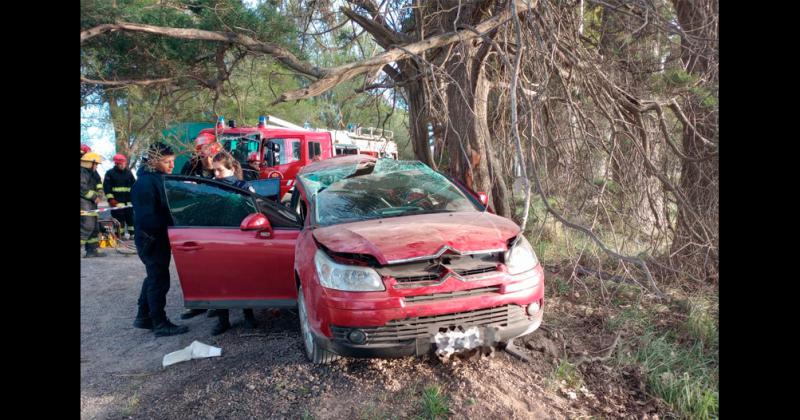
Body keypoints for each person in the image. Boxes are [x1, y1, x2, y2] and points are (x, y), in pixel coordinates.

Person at [131, 142, 189, 337]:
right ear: (154, 160)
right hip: (152, 238)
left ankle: (143, 316)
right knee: (159, 280)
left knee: (153, 277)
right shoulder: (145, 183)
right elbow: (148, 217)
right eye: (167, 162)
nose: (172, 165)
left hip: (154, 237)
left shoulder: (155, 177)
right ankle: (159, 323)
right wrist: (175, 219)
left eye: (173, 161)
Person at [208, 151, 258, 335]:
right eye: (214, 171)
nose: (216, 175)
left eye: (219, 170)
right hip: (217, 238)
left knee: (242, 277)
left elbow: (255, 210)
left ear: (231, 168)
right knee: (219, 279)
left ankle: (249, 315)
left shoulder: (243, 186)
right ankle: (223, 320)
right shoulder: (210, 186)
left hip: (239, 237)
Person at [103, 153, 136, 239]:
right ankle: (120, 235)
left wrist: (134, 198)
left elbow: (134, 186)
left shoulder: (129, 173)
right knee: (119, 218)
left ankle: (133, 234)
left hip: (128, 201)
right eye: (121, 163)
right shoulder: (110, 173)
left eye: (124, 163)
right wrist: (111, 199)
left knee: (130, 218)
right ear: (116, 164)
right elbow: (107, 187)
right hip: (116, 201)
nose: (123, 165)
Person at [81, 152, 106, 258]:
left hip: (91, 203)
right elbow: (82, 188)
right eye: (96, 164)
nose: (96, 166)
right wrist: (94, 197)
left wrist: (100, 192)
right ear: (90, 163)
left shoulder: (93, 172)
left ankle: (92, 250)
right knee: (87, 226)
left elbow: (99, 182)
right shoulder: (82, 172)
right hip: (83, 202)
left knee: (94, 226)